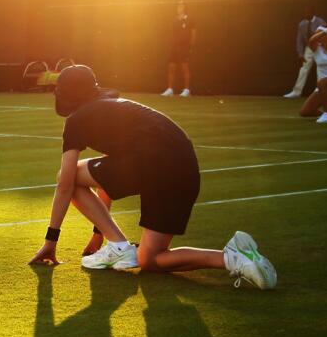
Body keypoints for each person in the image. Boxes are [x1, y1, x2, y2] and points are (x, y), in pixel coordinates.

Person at [30, 65, 277, 289]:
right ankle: (233, 258)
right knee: (151, 260)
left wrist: (52, 240)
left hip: (155, 164)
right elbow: (107, 180)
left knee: (67, 174)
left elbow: (65, 184)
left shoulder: (77, 120)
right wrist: (99, 234)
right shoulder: (113, 107)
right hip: (185, 169)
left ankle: (119, 247)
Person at [286, 7, 327, 98]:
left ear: (313, 13)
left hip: (320, 47)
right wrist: (300, 54)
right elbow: (299, 40)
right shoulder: (301, 24)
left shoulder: (321, 21)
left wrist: (325, 48)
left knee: (320, 68)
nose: (306, 14)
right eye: (305, 12)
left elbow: (326, 35)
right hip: (309, 48)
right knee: (304, 68)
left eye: (308, 12)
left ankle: (320, 90)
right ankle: (296, 92)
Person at [298, 25, 327, 124]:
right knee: (305, 112)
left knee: (321, 82)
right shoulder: (315, 48)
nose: (317, 36)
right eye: (316, 34)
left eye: (319, 33)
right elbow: (311, 40)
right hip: (322, 87)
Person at [162, 1, 196, 97]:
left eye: (181, 6)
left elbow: (193, 34)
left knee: (185, 68)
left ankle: (186, 90)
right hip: (174, 47)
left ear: (185, 8)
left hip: (184, 47)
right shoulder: (175, 19)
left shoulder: (190, 19)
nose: (179, 8)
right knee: (171, 67)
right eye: (178, 6)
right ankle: (170, 89)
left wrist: (190, 46)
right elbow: (173, 33)